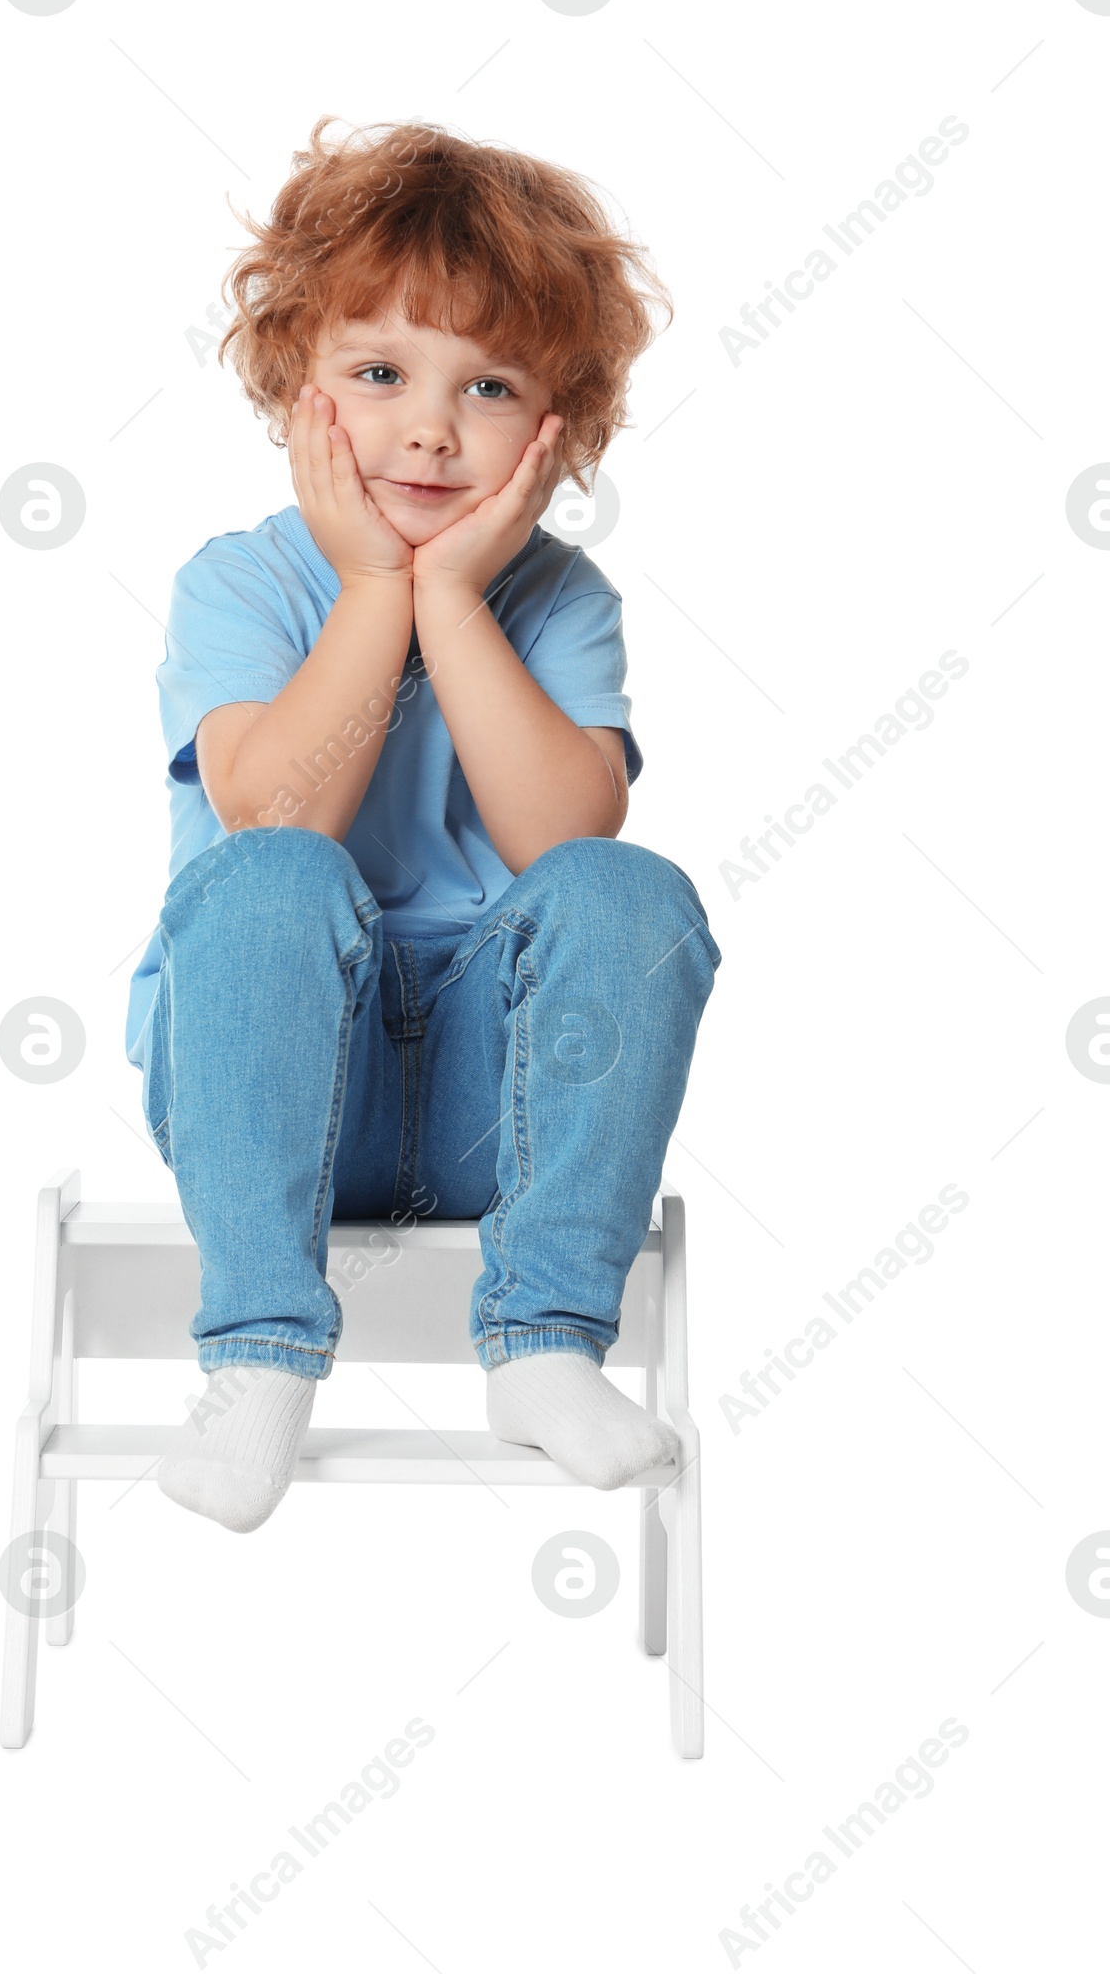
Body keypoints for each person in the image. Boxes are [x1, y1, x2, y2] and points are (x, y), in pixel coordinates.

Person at [124, 117, 722, 1531]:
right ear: (294, 386)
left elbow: (563, 836)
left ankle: (546, 1345)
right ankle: (262, 1358)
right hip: (267, 1088)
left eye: (490, 385)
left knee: (628, 892)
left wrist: (452, 595)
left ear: (557, 426)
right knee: (268, 875)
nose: (430, 428)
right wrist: (373, 588)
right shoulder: (242, 585)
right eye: (380, 372)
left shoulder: (557, 601)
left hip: (489, 1100)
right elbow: (275, 808)